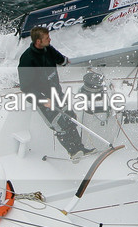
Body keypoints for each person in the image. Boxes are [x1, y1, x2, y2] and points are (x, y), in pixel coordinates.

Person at [18, 26, 87, 156]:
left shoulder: (48, 49)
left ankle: (81, 148)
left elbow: (60, 59)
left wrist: (65, 61)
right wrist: (43, 100)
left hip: (56, 93)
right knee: (60, 124)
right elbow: (26, 88)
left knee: (70, 118)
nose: (50, 39)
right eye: (47, 38)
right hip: (43, 99)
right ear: (38, 41)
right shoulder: (27, 59)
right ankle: (73, 152)